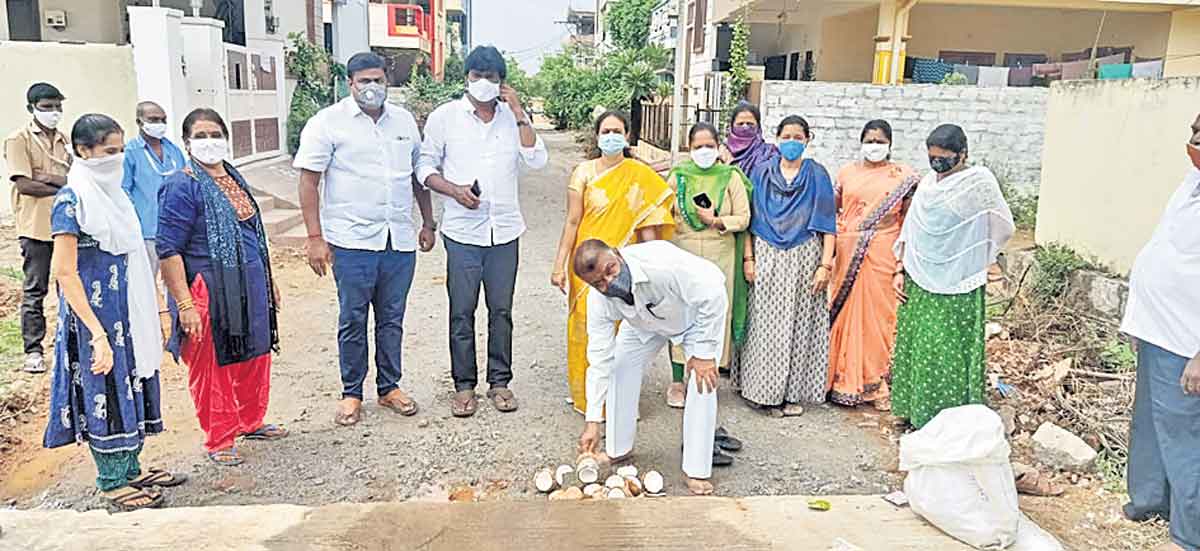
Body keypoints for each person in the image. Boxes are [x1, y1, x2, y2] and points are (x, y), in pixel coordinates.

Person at [44, 113, 186, 511]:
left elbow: (137, 255)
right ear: (82, 152)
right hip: (96, 318)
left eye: (121, 150)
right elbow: (65, 273)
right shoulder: (72, 201)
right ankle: (111, 482)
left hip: (128, 312)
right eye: (108, 152)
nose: (116, 159)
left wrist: (157, 310)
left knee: (134, 381)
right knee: (105, 390)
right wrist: (97, 335)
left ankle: (130, 470)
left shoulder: (116, 197)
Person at [294, 51, 435, 427]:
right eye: (364, 82)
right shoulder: (328, 123)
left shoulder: (403, 121)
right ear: (350, 83)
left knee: (392, 318)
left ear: (387, 81)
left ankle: (389, 387)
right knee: (353, 318)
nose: (372, 88)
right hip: (352, 240)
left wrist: (428, 222)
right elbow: (309, 180)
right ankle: (351, 393)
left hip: (398, 241)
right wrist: (314, 237)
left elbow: (417, 174)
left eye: (378, 80)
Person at [416, 46, 548, 417]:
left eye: (492, 77)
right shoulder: (445, 118)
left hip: (504, 231)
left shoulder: (512, 118)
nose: (484, 83)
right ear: (466, 78)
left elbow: (537, 159)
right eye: (477, 76)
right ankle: (463, 386)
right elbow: (424, 166)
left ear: (502, 82)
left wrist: (520, 112)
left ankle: (500, 382)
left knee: (501, 310)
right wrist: (454, 190)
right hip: (462, 232)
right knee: (462, 311)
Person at [158, 108, 286, 466]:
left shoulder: (232, 175)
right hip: (207, 288)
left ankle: (250, 420)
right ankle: (220, 438)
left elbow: (253, 237)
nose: (209, 142)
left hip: (249, 283)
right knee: (212, 363)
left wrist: (269, 280)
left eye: (215, 134)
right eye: (200, 136)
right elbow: (168, 250)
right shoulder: (182, 184)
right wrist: (184, 304)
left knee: (254, 353)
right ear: (185, 142)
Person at [573, 239, 724, 495]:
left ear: (618, 255)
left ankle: (696, 470)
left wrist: (705, 353)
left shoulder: (661, 264)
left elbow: (713, 293)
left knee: (702, 382)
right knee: (619, 367)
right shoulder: (599, 300)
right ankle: (618, 450)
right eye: (599, 283)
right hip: (643, 323)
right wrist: (593, 421)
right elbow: (599, 360)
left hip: (695, 318)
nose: (608, 283)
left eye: (610, 271)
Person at [890, 124, 1014, 429]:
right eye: (932, 157)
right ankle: (914, 412)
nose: (938, 164)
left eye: (944, 158)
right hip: (919, 278)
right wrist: (900, 268)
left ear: (963, 154)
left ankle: (948, 422)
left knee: (948, 352)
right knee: (919, 346)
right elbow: (913, 229)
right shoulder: (929, 184)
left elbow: (1003, 225)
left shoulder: (978, 182)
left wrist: (977, 253)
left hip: (959, 282)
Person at [551, 111, 674, 415]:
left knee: (625, 333)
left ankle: (620, 401)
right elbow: (572, 221)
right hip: (585, 265)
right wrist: (559, 264)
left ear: (627, 135)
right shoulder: (583, 172)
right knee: (585, 330)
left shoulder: (639, 174)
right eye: (605, 131)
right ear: (597, 136)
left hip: (623, 266)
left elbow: (648, 223)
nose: (610, 136)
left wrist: (655, 267)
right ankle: (588, 398)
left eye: (616, 131)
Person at [1119, 113, 1200, 551]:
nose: (1193, 140)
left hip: (1188, 342)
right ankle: (1149, 500)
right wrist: (1139, 318)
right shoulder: (1190, 183)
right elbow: (1165, 249)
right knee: (1149, 427)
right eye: (1192, 130)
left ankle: (1190, 535)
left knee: (1186, 438)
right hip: (1156, 329)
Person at [734, 115, 836, 417]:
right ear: (777, 139)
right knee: (764, 327)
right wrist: (748, 259)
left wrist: (825, 266)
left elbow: (828, 224)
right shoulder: (762, 173)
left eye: (798, 137)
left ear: (807, 140)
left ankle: (792, 393)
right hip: (766, 254)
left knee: (799, 327)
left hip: (805, 256)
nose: (792, 142)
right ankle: (760, 392)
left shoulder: (817, 174)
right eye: (787, 136)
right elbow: (750, 222)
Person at [827, 120, 917, 411]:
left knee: (880, 317)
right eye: (869, 140)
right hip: (847, 251)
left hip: (883, 251)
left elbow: (909, 220)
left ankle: (874, 382)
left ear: (890, 144)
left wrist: (903, 263)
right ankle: (838, 380)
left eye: (880, 141)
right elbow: (834, 207)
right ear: (861, 141)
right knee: (844, 314)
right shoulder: (846, 173)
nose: (874, 145)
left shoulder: (902, 176)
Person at [661, 122, 751, 408]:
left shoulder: (731, 176)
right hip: (682, 253)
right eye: (698, 146)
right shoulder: (678, 176)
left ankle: (706, 377)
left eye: (709, 146)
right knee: (679, 314)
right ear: (689, 148)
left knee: (714, 316)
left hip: (720, 254)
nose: (704, 151)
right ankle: (677, 382)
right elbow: (662, 211)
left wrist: (716, 221)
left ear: (718, 147)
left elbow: (744, 218)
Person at [5, 83, 70, 374]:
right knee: (35, 289)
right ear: (32, 108)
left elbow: (76, 176)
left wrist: (49, 176)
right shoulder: (18, 139)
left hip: (65, 224)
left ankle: (70, 344)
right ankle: (33, 350)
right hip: (35, 227)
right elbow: (26, 184)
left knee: (70, 285)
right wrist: (61, 182)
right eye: (47, 107)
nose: (53, 112)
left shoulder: (64, 140)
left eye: (57, 106)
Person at [123, 101, 187, 278]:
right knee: (146, 280)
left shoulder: (173, 150)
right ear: (139, 122)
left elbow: (186, 181)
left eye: (163, 120)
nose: (159, 124)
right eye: (153, 119)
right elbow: (124, 191)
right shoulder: (130, 152)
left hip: (176, 227)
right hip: (147, 230)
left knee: (177, 280)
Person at [720, 102, 779, 175]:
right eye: (740, 124)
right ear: (732, 126)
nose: (745, 127)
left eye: (750, 124)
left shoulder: (769, 153)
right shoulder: (721, 152)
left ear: (758, 126)